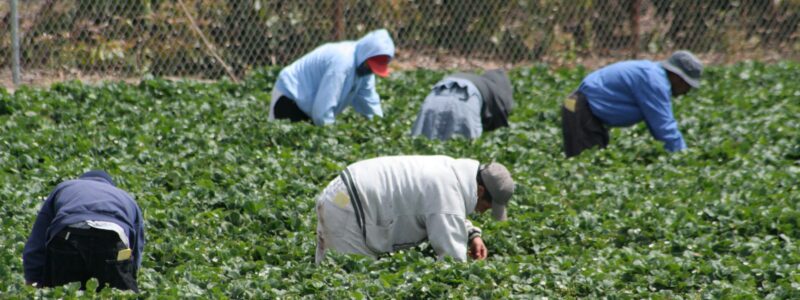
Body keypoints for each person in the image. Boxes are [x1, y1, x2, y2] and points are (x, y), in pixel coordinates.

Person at [314, 155, 515, 264]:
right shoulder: (448, 191)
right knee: (346, 275)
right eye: (487, 206)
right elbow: (453, 259)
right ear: (480, 190)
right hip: (348, 203)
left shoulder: (452, 174)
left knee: (333, 271)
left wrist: (472, 236)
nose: (483, 212)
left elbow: (444, 209)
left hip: (345, 192)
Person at [562, 50, 703, 157]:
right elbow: (663, 127)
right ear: (677, 77)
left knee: (592, 161)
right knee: (585, 165)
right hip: (581, 108)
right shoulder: (654, 81)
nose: (687, 91)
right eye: (687, 85)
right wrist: (682, 157)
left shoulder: (653, 74)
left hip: (584, 110)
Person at [23, 170, 145, 292]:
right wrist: (129, 275)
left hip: (68, 238)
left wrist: (33, 280)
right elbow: (136, 249)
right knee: (112, 294)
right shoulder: (127, 198)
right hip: (112, 241)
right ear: (110, 185)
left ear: (81, 180)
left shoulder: (65, 186)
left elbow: (37, 240)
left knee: (64, 294)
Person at [269, 29, 395, 126]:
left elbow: (368, 100)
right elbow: (322, 109)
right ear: (366, 55)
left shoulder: (364, 68)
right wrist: (332, 136)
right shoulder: (342, 63)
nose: (370, 71)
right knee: (289, 145)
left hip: (310, 106)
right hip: (290, 97)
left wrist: (379, 126)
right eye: (371, 66)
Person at [411, 69, 515, 140]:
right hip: (466, 98)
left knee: (423, 144)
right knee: (466, 151)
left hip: (435, 95)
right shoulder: (500, 93)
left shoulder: (479, 81)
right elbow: (501, 120)